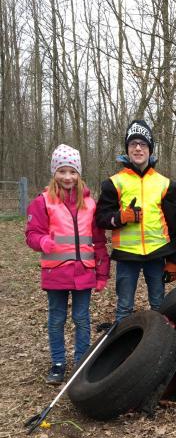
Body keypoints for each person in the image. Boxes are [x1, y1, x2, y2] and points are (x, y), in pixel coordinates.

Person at [25, 144, 110, 384]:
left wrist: (102, 274)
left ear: (79, 174)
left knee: (82, 318)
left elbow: (99, 241)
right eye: (62, 171)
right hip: (56, 272)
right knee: (57, 319)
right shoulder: (42, 202)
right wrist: (43, 241)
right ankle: (58, 363)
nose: (67, 177)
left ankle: (82, 361)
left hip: (84, 272)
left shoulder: (90, 204)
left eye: (72, 171)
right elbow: (31, 234)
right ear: (54, 173)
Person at [95, 120, 176, 321]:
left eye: (142, 144)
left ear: (150, 149)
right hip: (127, 256)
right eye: (133, 143)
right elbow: (101, 218)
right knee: (124, 308)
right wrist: (120, 218)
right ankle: (123, 349)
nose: (137, 148)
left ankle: (161, 345)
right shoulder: (113, 183)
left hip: (157, 254)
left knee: (159, 307)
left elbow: (175, 226)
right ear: (127, 149)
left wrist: (174, 261)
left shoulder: (166, 184)